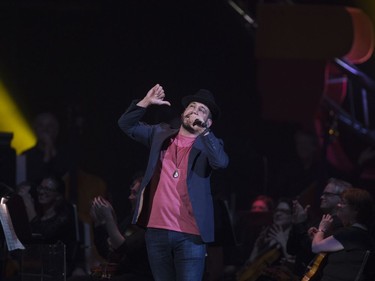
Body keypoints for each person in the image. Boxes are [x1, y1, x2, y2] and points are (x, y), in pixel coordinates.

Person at [118, 84, 229, 281]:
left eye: (202, 110)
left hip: (190, 235)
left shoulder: (209, 144)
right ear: (184, 112)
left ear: (208, 122)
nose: (195, 111)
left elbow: (221, 162)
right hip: (156, 231)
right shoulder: (161, 133)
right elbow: (126, 124)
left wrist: (203, 132)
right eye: (192, 106)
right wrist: (145, 103)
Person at [67, 173, 154, 281]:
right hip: (121, 274)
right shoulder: (130, 220)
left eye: (134, 193)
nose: (129, 197)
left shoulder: (152, 224)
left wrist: (109, 218)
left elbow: (123, 247)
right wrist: (98, 222)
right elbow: (107, 252)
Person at [287, 177, 351, 278]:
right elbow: (291, 249)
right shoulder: (318, 221)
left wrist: (300, 223)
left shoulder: (340, 225)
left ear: (341, 199)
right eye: (322, 193)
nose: (321, 197)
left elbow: (312, 250)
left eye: (327, 194)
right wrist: (296, 223)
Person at [16, 175, 78, 277]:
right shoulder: (38, 213)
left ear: (58, 195)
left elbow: (42, 234)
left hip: (57, 271)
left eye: (47, 189)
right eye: (40, 188)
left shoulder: (64, 216)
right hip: (34, 268)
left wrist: (30, 208)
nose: (41, 192)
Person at [310, 187, 375, 281]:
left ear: (356, 209)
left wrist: (321, 230)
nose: (338, 205)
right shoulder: (361, 235)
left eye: (343, 203)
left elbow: (316, 247)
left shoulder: (351, 234)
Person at [236, 197, 297, 281]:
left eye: (283, 211)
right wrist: (256, 247)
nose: (278, 214)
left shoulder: (296, 237)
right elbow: (252, 263)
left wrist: (282, 241)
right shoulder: (269, 234)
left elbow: (294, 265)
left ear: (292, 216)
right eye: (277, 210)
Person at [17, 112, 71, 187]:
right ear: (35, 129)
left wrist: (51, 149)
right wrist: (47, 156)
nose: (45, 129)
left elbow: (65, 179)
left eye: (50, 126)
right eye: (41, 125)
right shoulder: (25, 156)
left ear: (56, 130)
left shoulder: (66, 155)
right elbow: (30, 182)